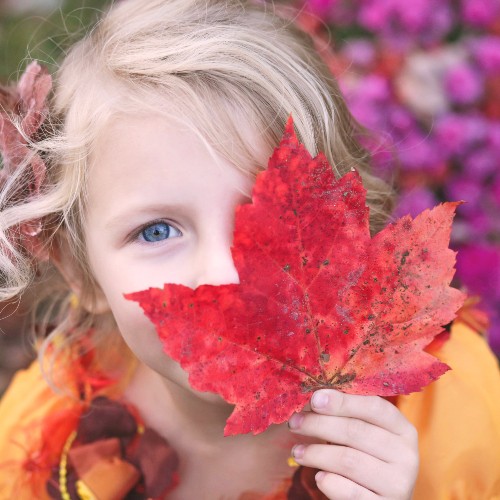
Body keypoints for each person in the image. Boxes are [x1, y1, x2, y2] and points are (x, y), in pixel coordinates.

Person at [0, 0, 499, 498]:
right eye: (156, 232)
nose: (224, 276)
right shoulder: (39, 446)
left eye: (268, 213)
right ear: (80, 273)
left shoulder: (452, 416)